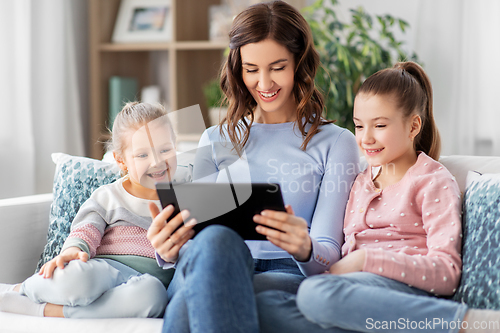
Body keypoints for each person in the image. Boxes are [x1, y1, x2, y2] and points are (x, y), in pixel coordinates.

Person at [146, 1, 359, 332]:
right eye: (251, 69)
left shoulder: (335, 142)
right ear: (237, 69)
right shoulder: (214, 138)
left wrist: (305, 247)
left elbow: (328, 252)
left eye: (277, 67)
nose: (264, 83)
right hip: (208, 260)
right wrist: (169, 249)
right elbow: (197, 236)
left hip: (283, 273)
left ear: (299, 64)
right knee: (216, 240)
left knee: (191, 304)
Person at [256, 61, 500, 333]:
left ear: (413, 126)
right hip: (352, 289)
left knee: (315, 293)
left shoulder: (433, 181)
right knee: (264, 300)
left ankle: (467, 323)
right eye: (359, 126)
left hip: (404, 291)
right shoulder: (359, 180)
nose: (366, 138)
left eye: (380, 125)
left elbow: (446, 273)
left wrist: (365, 260)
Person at [0, 102, 195, 319]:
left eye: (165, 150)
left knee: (154, 297)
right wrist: (72, 250)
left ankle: (46, 311)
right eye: (142, 155)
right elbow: (87, 228)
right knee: (79, 278)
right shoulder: (109, 195)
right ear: (122, 161)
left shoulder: (186, 198)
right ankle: (20, 290)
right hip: (103, 269)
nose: (157, 162)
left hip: (148, 282)